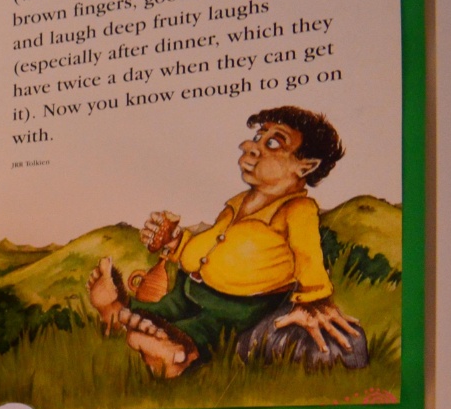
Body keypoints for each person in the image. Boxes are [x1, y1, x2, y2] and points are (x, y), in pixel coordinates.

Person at [87, 106, 367, 376]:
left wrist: (314, 299)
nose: (250, 146)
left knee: (206, 328)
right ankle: (120, 311)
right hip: (192, 286)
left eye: (273, 143)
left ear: (306, 166)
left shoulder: (297, 210)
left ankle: (176, 354)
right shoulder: (238, 203)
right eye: (258, 137)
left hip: (236, 304)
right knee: (165, 309)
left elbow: (308, 255)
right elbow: (213, 244)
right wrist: (177, 242)